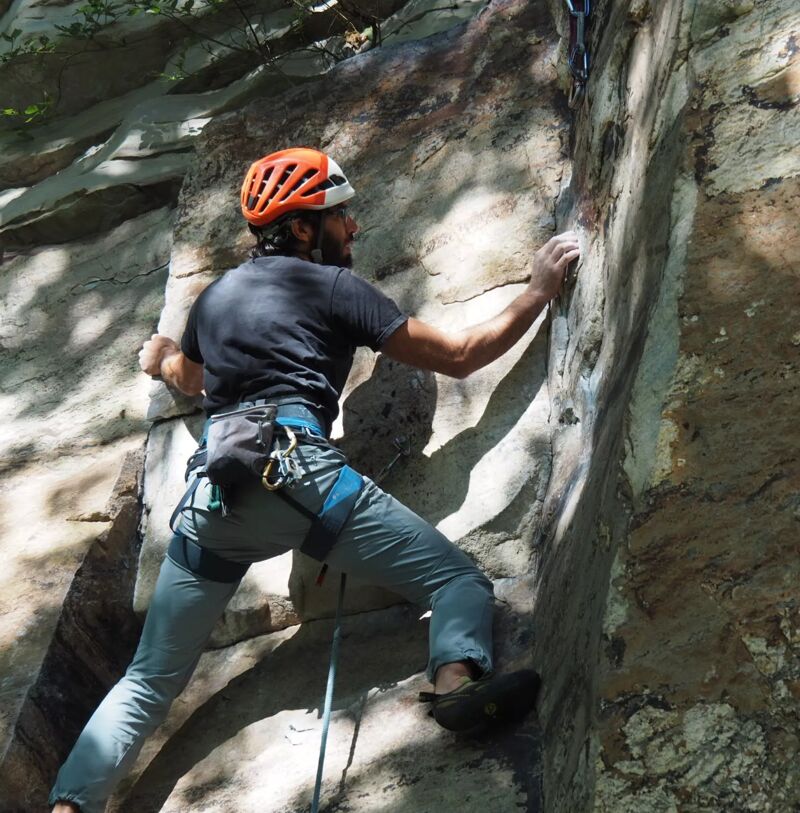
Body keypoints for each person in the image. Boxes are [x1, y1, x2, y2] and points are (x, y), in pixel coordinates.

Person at [50, 147, 579, 813]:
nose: (353, 227)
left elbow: (192, 379)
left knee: (151, 675)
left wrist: (159, 358)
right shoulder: (332, 289)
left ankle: (69, 805)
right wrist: (538, 289)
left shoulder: (215, 300)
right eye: (341, 215)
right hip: (302, 480)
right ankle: (454, 683)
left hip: (214, 497)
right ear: (303, 228)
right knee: (455, 580)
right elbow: (461, 355)